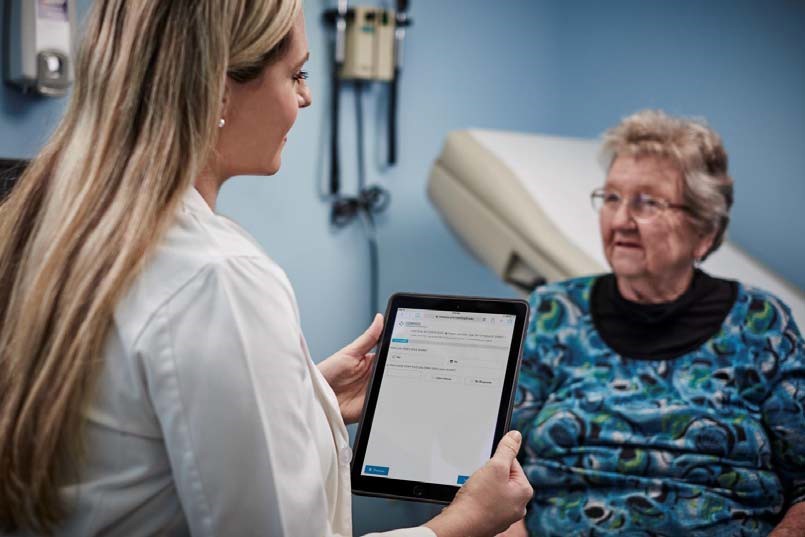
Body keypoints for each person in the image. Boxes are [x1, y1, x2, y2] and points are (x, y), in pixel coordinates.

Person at [0, 1, 532, 536]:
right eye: (296, 74)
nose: (306, 96)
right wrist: (463, 522)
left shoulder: (52, 230)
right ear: (218, 88)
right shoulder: (218, 277)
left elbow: (130, 433)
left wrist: (306, 394)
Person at [504, 110, 805, 536]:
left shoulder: (760, 325)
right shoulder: (554, 314)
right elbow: (495, 463)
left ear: (704, 230)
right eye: (611, 198)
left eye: (647, 202)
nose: (621, 219)